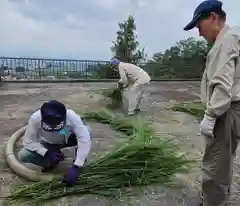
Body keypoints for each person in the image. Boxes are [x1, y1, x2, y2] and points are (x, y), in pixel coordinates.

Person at [184, 0, 240, 205]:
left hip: (226, 111)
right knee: (223, 161)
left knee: (214, 163)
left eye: (199, 26)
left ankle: (212, 202)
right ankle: (218, 198)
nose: (199, 33)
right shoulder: (230, 38)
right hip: (229, 109)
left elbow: (223, 84)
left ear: (213, 18)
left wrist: (210, 116)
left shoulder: (226, 40)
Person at [18, 100, 92, 187]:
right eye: (50, 125)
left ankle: (78, 160)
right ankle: (50, 162)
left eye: (56, 124)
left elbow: (84, 139)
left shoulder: (71, 116)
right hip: (50, 143)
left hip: (69, 139)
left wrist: (77, 166)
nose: (53, 127)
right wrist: (46, 152)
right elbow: (28, 141)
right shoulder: (35, 118)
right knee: (24, 155)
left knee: (87, 131)